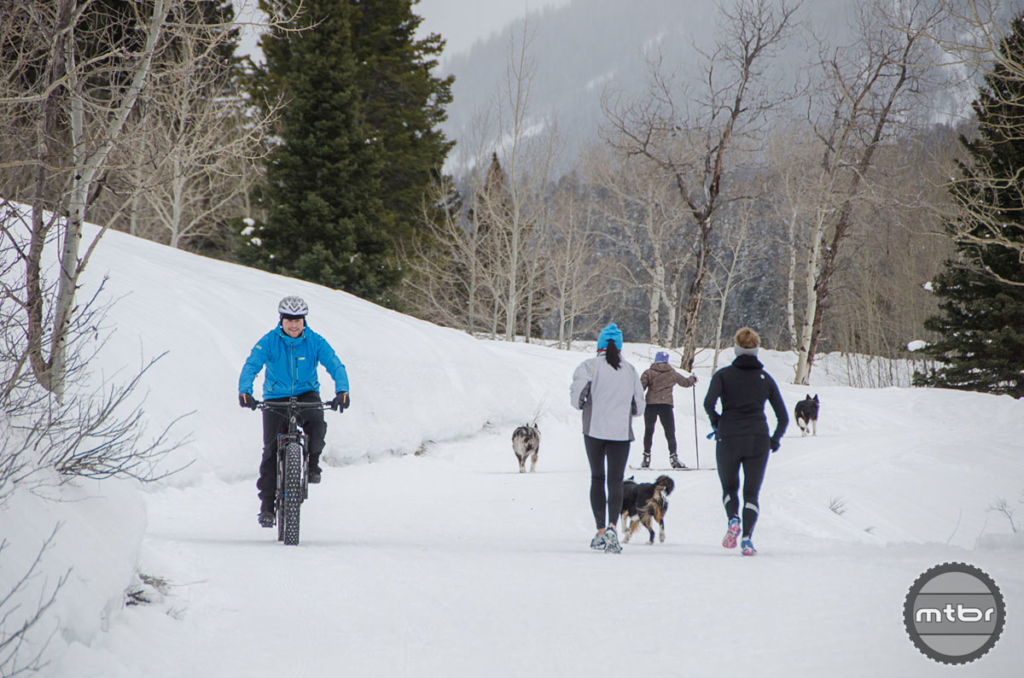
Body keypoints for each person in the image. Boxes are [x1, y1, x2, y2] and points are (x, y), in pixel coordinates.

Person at [238, 295, 350, 528]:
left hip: (305, 394)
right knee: (270, 450)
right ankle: (267, 506)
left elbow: (335, 363)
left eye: (298, 319)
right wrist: (245, 391)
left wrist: (342, 390)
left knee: (317, 423)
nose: (294, 324)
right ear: (281, 319)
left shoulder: (315, 341)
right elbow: (252, 364)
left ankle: (312, 464)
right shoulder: (269, 341)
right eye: (289, 319)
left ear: (304, 320)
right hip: (275, 397)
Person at [703, 327, 787, 556]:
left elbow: (708, 403)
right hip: (757, 439)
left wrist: (717, 422)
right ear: (756, 350)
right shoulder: (765, 379)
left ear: (736, 349)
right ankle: (748, 539)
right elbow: (783, 416)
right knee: (751, 493)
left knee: (730, 487)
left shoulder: (723, 376)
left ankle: (733, 520)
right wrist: (774, 439)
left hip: (728, 437)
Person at [570, 323, 646, 554]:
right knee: (615, 481)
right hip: (621, 434)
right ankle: (614, 527)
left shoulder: (589, 366)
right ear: (620, 347)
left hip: (594, 430)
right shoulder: (630, 370)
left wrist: (586, 404)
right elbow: (639, 406)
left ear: (600, 344)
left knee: (597, 478)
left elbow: (576, 399)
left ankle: (601, 531)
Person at [640, 351, 698, 469]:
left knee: (649, 431)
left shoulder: (648, 373)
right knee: (670, 432)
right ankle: (673, 458)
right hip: (666, 405)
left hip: (651, 405)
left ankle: (646, 458)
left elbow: (640, 387)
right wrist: (693, 379)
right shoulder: (672, 373)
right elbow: (685, 383)